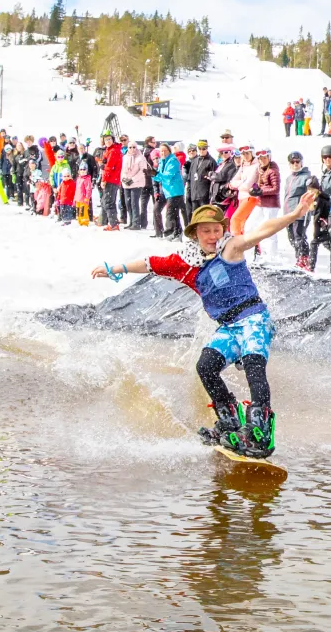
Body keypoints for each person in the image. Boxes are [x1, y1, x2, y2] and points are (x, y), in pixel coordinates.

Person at [89, 192, 318, 459]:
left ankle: (260, 431)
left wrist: (294, 214)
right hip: (229, 326)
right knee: (206, 367)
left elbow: (260, 233)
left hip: (254, 319)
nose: (212, 236)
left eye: (216, 230)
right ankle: (229, 421)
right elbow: (149, 263)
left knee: (254, 366)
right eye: (206, 232)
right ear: (195, 234)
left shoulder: (230, 248)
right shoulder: (185, 264)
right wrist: (116, 268)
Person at [308, 146, 331, 273]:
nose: (327, 160)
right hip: (325, 208)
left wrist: (320, 189)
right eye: (324, 157)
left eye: (330, 157)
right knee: (328, 240)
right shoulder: (326, 172)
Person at [284, 152, 313, 267]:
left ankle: (304, 258)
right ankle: (299, 257)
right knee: (291, 236)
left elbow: (311, 190)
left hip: (300, 212)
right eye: (293, 162)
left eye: (297, 161)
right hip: (289, 211)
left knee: (298, 235)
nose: (295, 164)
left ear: (301, 162)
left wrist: (308, 209)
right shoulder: (289, 178)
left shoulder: (306, 177)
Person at [252, 149, 282, 255]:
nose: (262, 160)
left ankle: (272, 256)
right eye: (260, 158)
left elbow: (276, 189)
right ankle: (260, 253)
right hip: (261, 203)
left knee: (269, 229)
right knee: (253, 225)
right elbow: (260, 185)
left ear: (269, 157)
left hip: (271, 205)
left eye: (265, 158)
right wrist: (254, 188)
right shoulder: (262, 170)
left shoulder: (273, 171)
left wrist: (261, 191)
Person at [154, 143, 186, 240]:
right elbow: (158, 178)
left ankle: (170, 233)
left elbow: (167, 177)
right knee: (157, 209)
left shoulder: (173, 161)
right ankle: (161, 232)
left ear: (169, 151)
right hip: (165, 190)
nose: (163, 153)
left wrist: (155, 174)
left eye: (165, 150)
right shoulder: (161, 162)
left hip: (175, 191)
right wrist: (152, 174)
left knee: (170, 213)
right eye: (161, 151)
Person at [121, 137, 151, 231]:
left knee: (134, 203)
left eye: (134, 147)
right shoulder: (125, 157)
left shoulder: (141, 157)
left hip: (137, 183)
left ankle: (136, 222)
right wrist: (124, 179)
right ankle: (131, 221)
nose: (132, 149)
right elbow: (122, 170)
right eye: (130, 147)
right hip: (127, 183)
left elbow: (142, 171)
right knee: (128, 203)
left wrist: (132, 180)